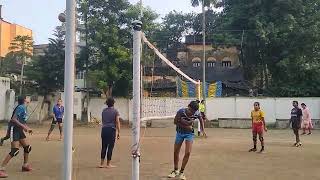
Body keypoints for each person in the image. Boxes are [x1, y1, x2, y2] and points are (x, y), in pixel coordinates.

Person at [167, 101, 206, 180]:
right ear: (188, 107)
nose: (192, 113)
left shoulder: (196, 113)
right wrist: (186, 125)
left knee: (188, 152)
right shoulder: (181, 112)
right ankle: (175, 170)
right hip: (180, 133)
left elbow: (201, 119)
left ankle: (182, 172)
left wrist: (203, 129)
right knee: (176, 151)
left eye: (194, 112)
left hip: (189, 134)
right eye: (191, 110)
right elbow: (175, 122)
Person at [0, 96, 33, 178]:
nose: (30, 98)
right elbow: (14, 119)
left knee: (27, 147)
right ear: (25, 99)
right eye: (28, 97)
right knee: (15, 150)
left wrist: (27, 128)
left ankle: (25, 165)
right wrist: (24, 127)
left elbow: (22, 121)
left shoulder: (24, 108)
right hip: (14, 129)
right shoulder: (21, 107)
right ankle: (1, 169)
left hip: (19, 129)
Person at [99, 97, 120, 168]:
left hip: (104, 129)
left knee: (103, 146)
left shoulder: (103, 111)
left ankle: (101, 164)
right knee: (110, 147)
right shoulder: (115, 111)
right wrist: (119, 132)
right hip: (111, 130)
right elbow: (117, 121)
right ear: (113, 103)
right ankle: (108, 164)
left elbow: (103, 120)